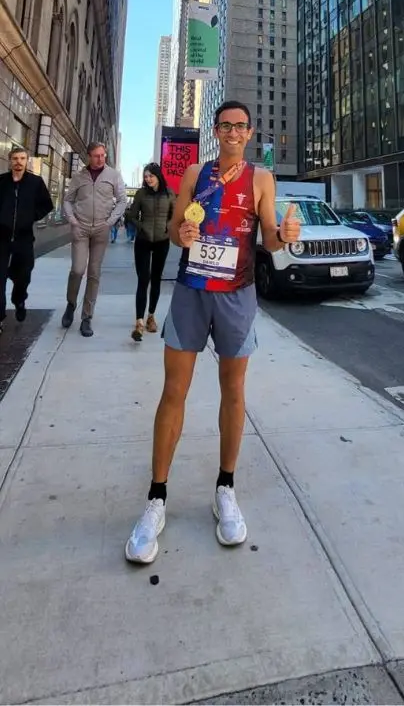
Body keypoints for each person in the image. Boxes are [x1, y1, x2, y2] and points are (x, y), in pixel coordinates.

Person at [124, 102, 301, 564]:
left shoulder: (261, 179)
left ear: (249, 132)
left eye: (241, 127)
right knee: (173, 392)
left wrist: (286, 235)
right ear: (216, 130)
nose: (233, 133)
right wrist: (183, 232)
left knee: (234, 391)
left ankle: (225, 488)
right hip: (191, 290)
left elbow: (268, 238)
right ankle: (156, 498)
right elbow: (179, 233)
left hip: (236, 296)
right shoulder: (194, 174)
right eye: (225, 126)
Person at [62, 141, 128, 338]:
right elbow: (67, 199)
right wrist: (72, 219)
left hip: (101, 228)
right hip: (80, 228)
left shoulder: (113, 175)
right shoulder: (79, 176)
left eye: (103, 155)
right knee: (77, 270)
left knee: (94, 273)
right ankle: (71, 304)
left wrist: (110, 221)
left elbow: (123, 200)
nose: (101, 159)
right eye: (96, 156)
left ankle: (86, 318)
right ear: (89, 157)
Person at [0, 146, 53, 334]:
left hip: (23, 239)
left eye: (22, 158)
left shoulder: (35, 182)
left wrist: (30, 216)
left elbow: (48, 204)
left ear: (27, 161)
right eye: (15, 158)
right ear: (10, 161)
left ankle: (19, 299)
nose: (18, 162)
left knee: (23, 276)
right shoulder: (2, 182)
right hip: (2, 239)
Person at [126, 163, 176, 342]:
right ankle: (139, 322)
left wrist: (168, 228)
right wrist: (142, 227)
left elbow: (175, 214)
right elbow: (131, 215)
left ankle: (151, 317)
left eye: (150, 176)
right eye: (145, 176)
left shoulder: (169, 194)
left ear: (158, 176)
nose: (147, 179)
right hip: (143, 241)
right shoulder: (141, 194)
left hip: (162, 241)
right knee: (143, 279)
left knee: (156, 279)